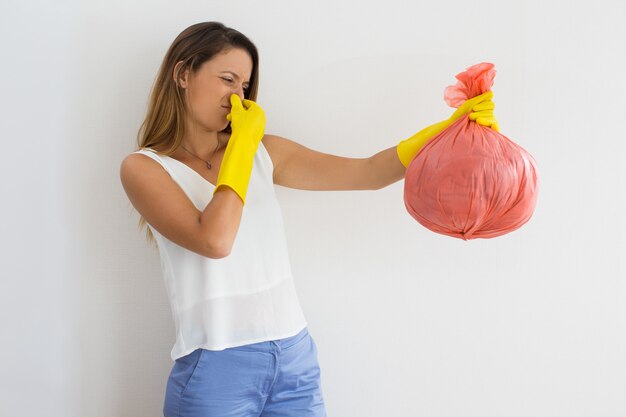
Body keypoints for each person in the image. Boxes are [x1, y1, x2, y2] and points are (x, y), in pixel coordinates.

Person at [119, 21, 497, 417]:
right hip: (215, 367)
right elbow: (216, 240)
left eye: (244, 86)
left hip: (294, 358)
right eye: (227, 79)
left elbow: (367, 172)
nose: (236, 96)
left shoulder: (267, 152)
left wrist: (448, 130)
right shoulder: (145, 168)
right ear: (183, 74)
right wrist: (243, 146)